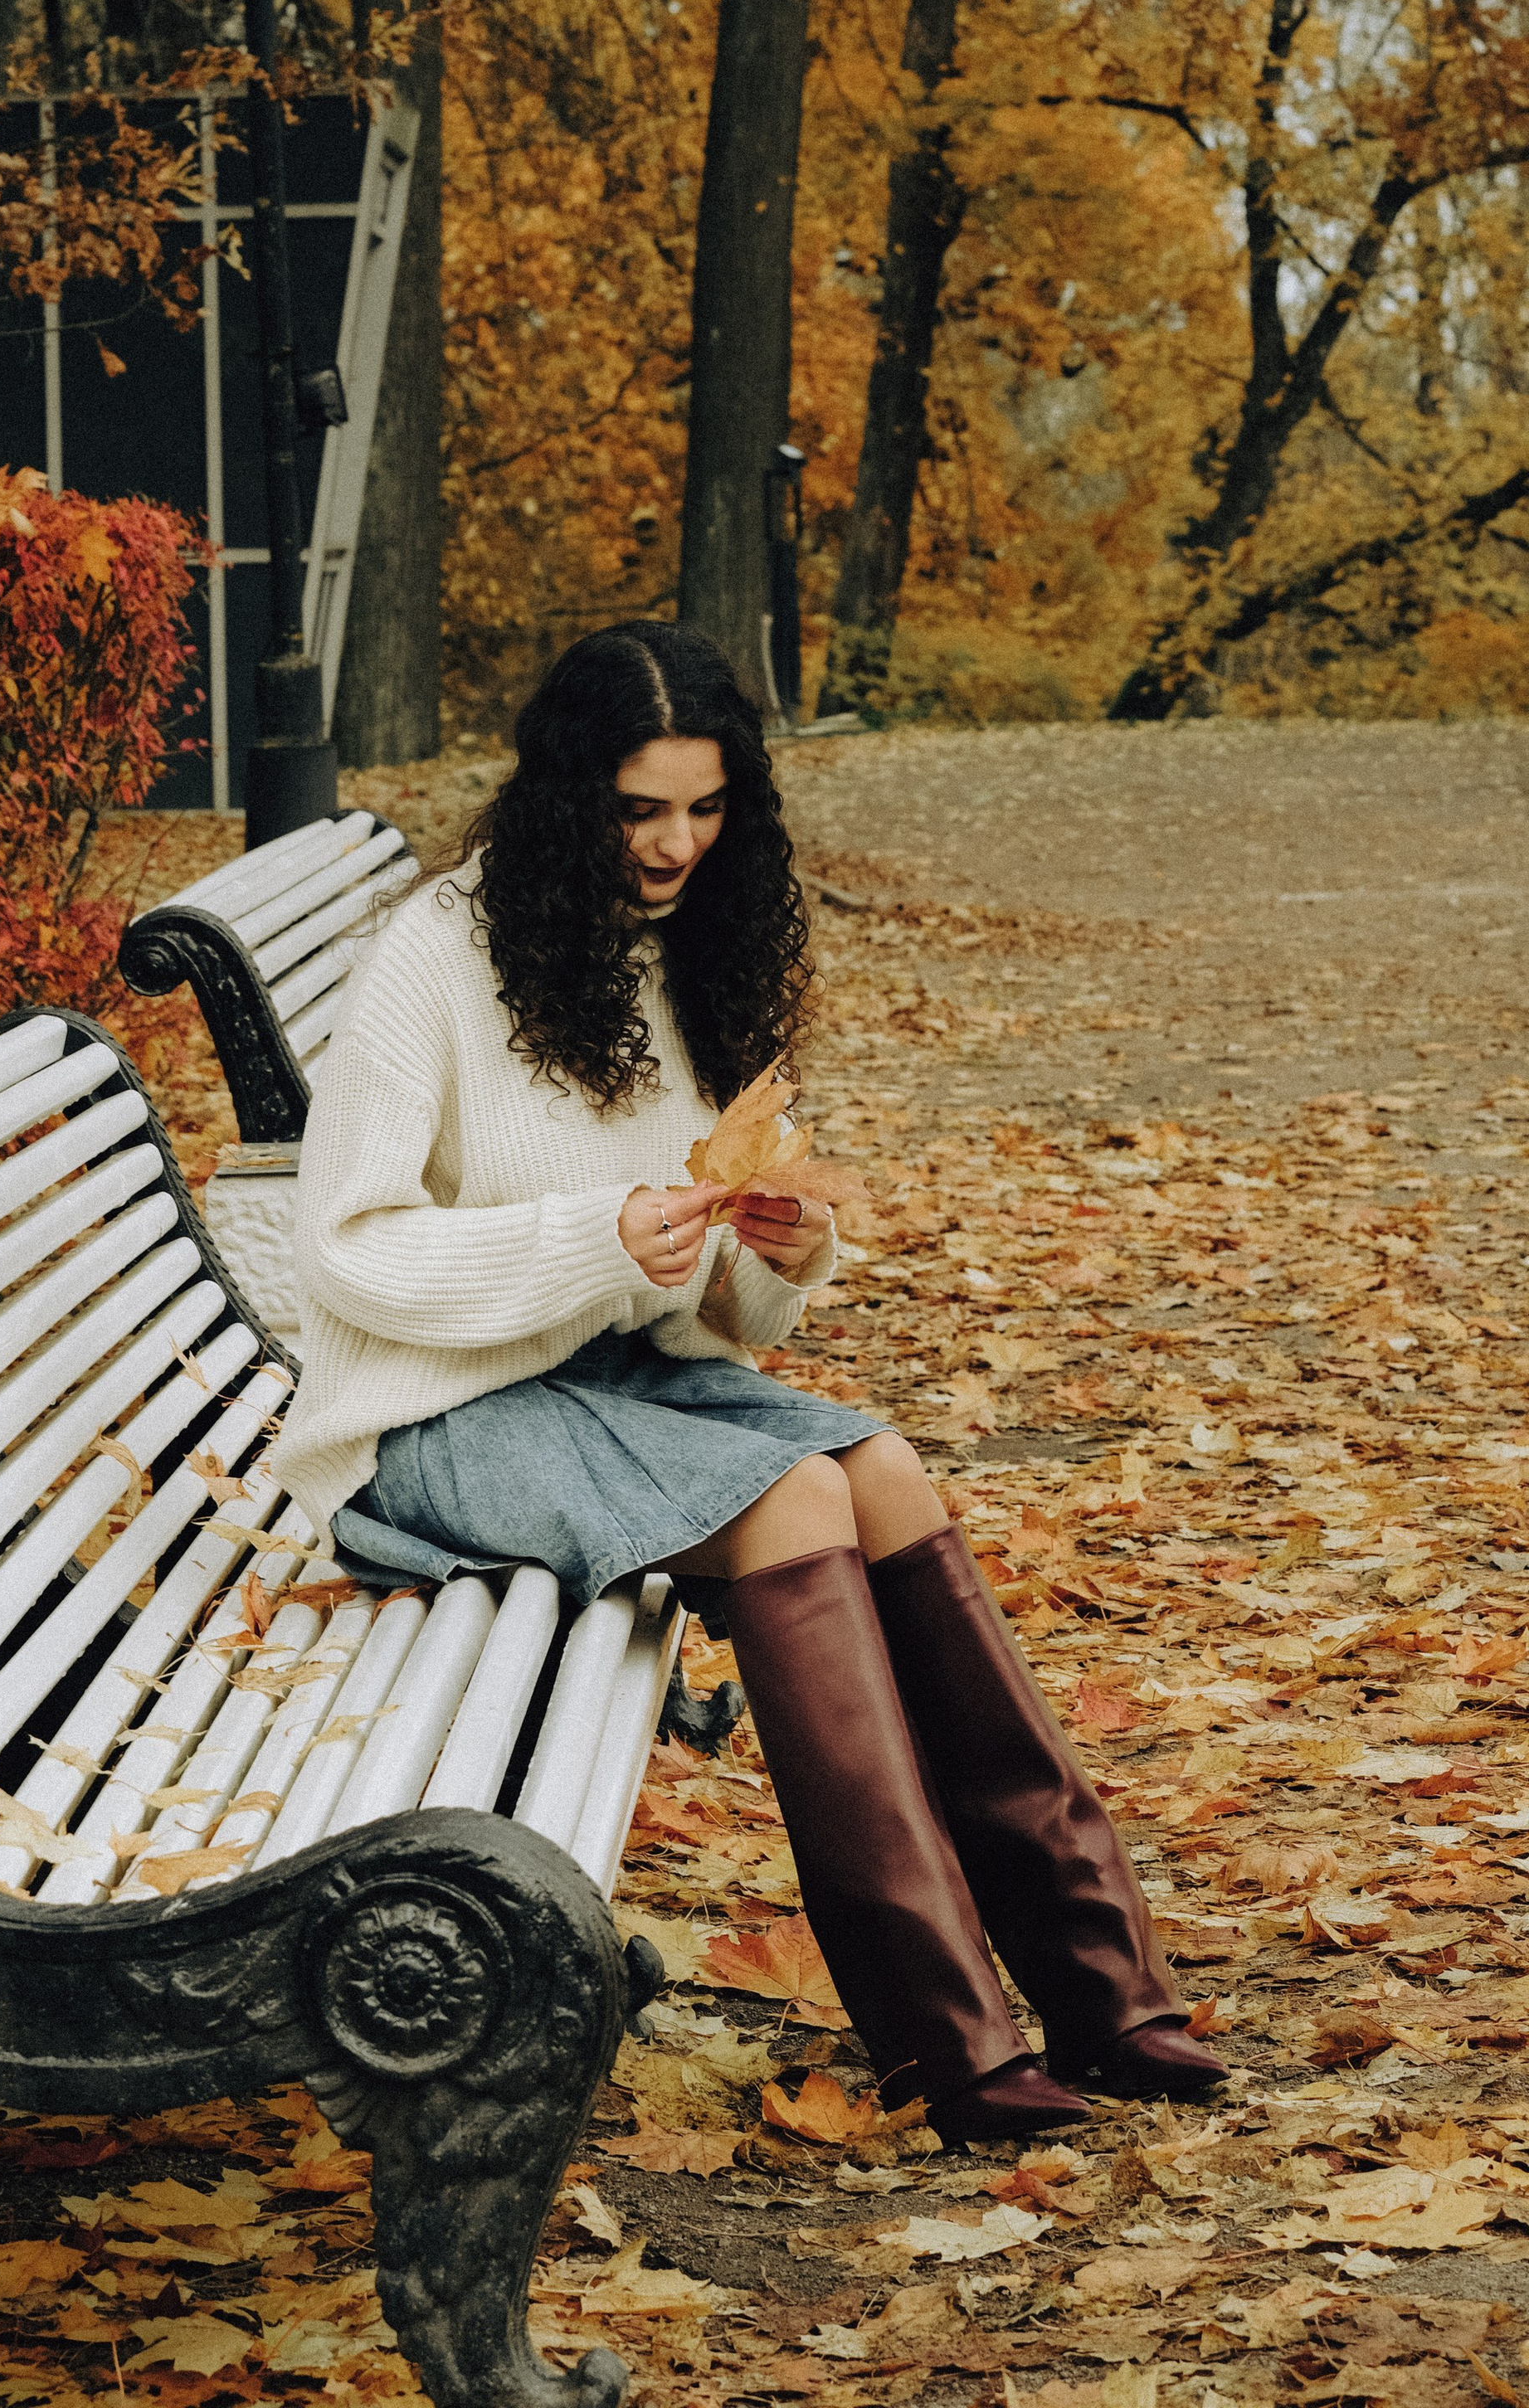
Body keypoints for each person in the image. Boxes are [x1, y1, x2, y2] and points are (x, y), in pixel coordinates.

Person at [275, 620, 1226, 2144]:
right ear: (565, 795)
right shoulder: (434, 962)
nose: (674, 845)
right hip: (424, 1416)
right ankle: (948, 2040)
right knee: (793, 1502)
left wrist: (772, 1249)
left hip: (619, 1390)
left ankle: (1102, 1981)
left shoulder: (690, 957)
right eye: (640, 809)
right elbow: (347, 1253)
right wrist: (595, 1239)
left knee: (886, 1469)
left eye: (707, 809)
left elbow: (718, 1304)